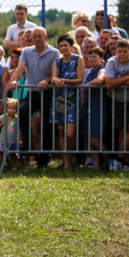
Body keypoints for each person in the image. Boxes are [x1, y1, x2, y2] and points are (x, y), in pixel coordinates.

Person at [7, 27, 59, 167]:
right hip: (32, 91)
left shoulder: (54, 52)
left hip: (48, 92)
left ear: (45, 37)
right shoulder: (26, 51)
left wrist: (47, 81)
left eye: (39, 36)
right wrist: (14, 80)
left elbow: (55, 73)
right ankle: (27, 146)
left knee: (47, 123)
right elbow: (20, 68)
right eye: (34, 36)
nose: (36, 39)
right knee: (23, 111)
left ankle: (45, 155)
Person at [104, 39, 129, 169]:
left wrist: (118, 82)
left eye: (124, 51)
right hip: (117, 100)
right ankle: (125, 163)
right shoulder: (111, 62)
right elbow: (109, 84)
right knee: (121, 131)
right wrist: (127, 78)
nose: (122, 54)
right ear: (116, 51)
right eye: (119, 51)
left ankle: (119, 158)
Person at [49, 35, 84, 169]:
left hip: (73, 98)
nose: (63, 48)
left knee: (70, 134)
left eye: (65, 45)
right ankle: (66, 162)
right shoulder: (57, 61)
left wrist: (66, 81)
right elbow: (53, 77)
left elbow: (80, 80)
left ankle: (73, 158)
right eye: (61, 45)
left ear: (71, 46)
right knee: (61, 130)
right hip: (59, 98)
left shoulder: (78, 59)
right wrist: (55, 81)